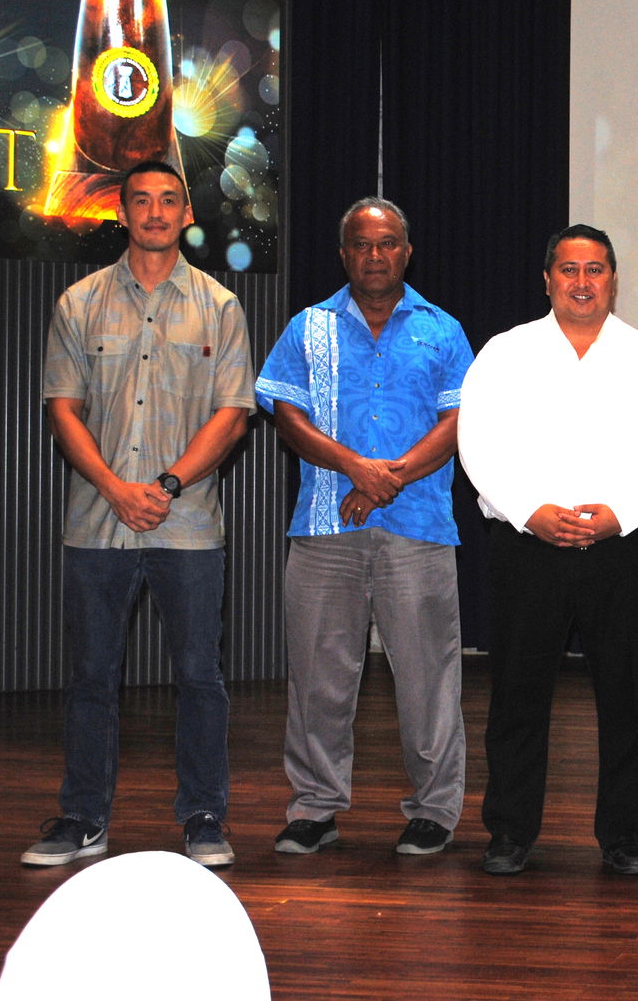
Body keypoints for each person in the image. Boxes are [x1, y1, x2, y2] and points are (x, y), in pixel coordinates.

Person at [25, 159, 254, 869]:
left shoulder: (219, 305)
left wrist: (164, 483)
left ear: (187, 212)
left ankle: (204, 816)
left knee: (199, 678)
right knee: (92, 675)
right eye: (141, 201)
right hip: (96, 523)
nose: (155, 212)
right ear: (120, 212)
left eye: (168, 200)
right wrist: (115, 487)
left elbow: (233, 413)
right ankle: (84, 815)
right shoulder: (79, 302)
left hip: (187, 526)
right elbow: (62, 408)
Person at [458, 224, 638, 877]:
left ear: (613, 279)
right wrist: (531, 512)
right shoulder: (506, 352)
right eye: (568, 269)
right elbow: (478, 443)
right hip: (529, 546)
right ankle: (509, 829)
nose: (582, 282)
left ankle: (624, 835)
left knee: (629, 700)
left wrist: (621, 514)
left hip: (623, 546)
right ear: (548, 279)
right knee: (518, 696)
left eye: (595, 270)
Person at [256, 197, 473, 857]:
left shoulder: (443, 330)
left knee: (427, 675)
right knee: (318, 676)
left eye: (386, 244)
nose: (374, 256)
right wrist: (356, 466)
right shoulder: (307, 327)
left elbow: (460, 420)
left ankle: (434, 810)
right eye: (360, 244)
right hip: (325, 527)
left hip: (420, 527)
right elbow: (286, 414)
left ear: (407, 252)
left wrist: (391, 476)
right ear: (344, 252)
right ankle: (315, 807)